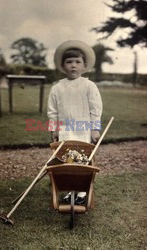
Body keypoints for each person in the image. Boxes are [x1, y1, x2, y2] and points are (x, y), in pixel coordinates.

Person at [47, 40, 103, 204]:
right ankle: (71, 190)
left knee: (82, 161)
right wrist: (54, 129)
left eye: (77, 62)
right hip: (65, 131)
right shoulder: (57, 88)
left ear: (84, 66)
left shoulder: (89, 86)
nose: (73, 66)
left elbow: (95, 109)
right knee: (66, 161)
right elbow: (53, 111)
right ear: (63, 66)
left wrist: (94, 129)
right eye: (69, 62)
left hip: (83, 131)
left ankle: (81, 192)